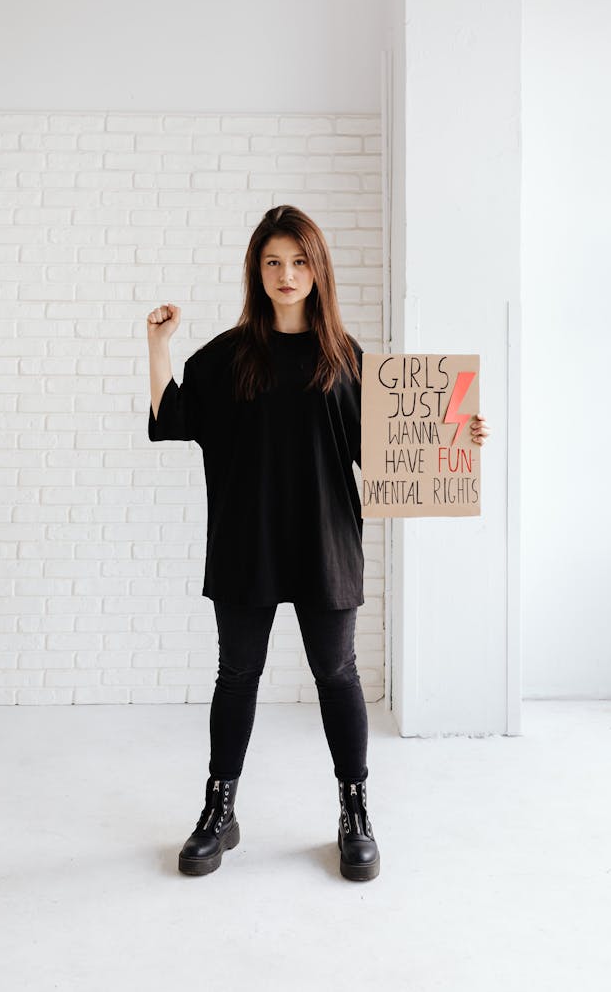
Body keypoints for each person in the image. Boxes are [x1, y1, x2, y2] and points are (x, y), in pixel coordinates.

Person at [146, 204, 491, 882]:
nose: (286, 273)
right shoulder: (226, 355)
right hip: (248, 543)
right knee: (237, 674)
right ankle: (219, 808)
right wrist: (157, 343)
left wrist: (458, 435)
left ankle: (354, 810)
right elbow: (170, 417)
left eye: (299, 261)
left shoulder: (347, 358)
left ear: (318, 268)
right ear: (257, 270)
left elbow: (389, 450)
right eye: (273, 261)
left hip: (327, 540)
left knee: (337, 674)